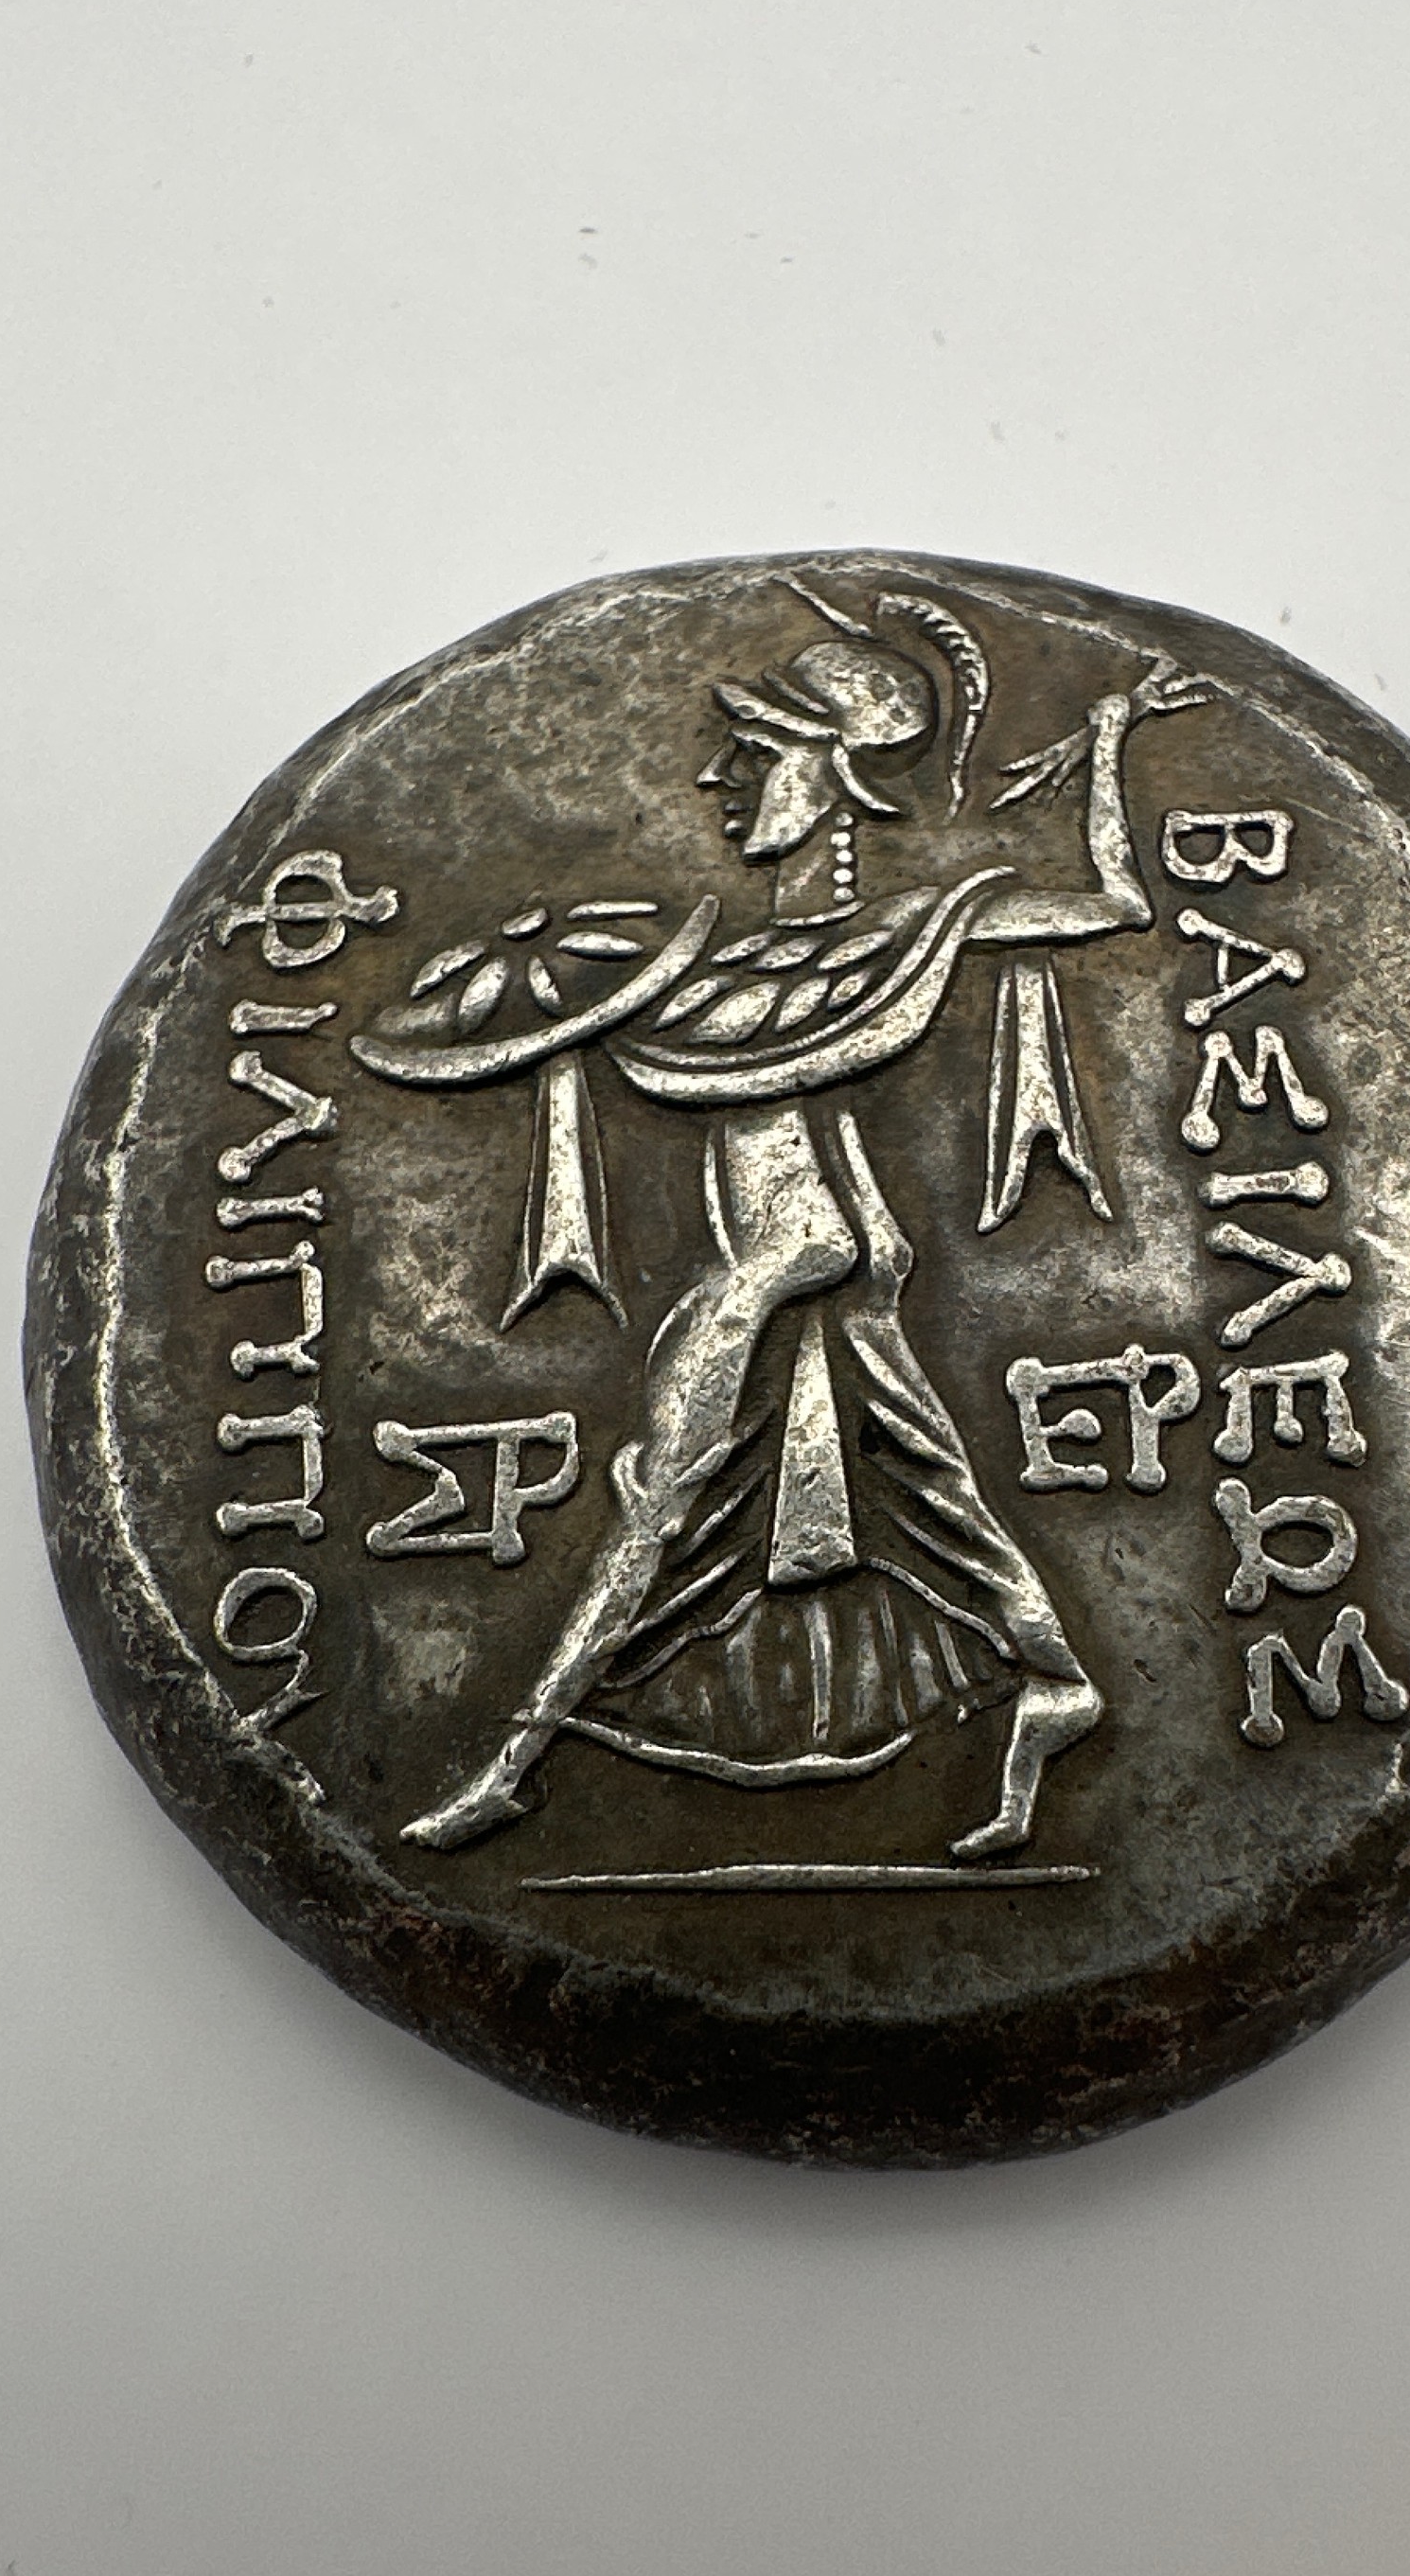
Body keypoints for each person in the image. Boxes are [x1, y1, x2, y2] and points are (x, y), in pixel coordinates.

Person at [353, 581, 1211, 1858]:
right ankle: (1057, 1681)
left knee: (659, 1508)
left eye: (754, 751)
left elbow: (1112, 909)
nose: (719, 776)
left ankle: (511, 1767)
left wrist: (1104, 743)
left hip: (789, 1268)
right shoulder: (711, 966)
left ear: (837, 775)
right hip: (819, 1276)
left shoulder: (904, 932)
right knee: (937, 1498)